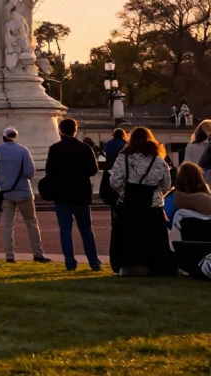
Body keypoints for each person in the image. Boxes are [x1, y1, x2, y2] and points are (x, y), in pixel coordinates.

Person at [108, 127, 175, 276]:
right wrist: (159, 194)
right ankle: (153, 265)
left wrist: (123, 191)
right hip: (152, 204)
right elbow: (166, 183)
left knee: (128, 237)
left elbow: (114, 180)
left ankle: (128, 265)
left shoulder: (123, 157)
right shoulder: (158, 160)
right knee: (153, 237)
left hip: (129, 203)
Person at [43, 118, 102, 271]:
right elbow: (93, 170)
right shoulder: (85, 148)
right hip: (81, 192)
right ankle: (94, 262)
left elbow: (50, 171)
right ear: (75, 130)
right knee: (86, 229)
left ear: (60, 130)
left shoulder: (55, 149)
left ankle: (70, 261)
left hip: (62, 193)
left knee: (65, 230)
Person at [0, 127, 51, 264]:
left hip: (5, 192)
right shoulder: (23, 150)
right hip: (23, 191)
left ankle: (10, 255)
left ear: (4, 137)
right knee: (31, 223)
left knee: (8, 225)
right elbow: (30, 172)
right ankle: (38, 253)